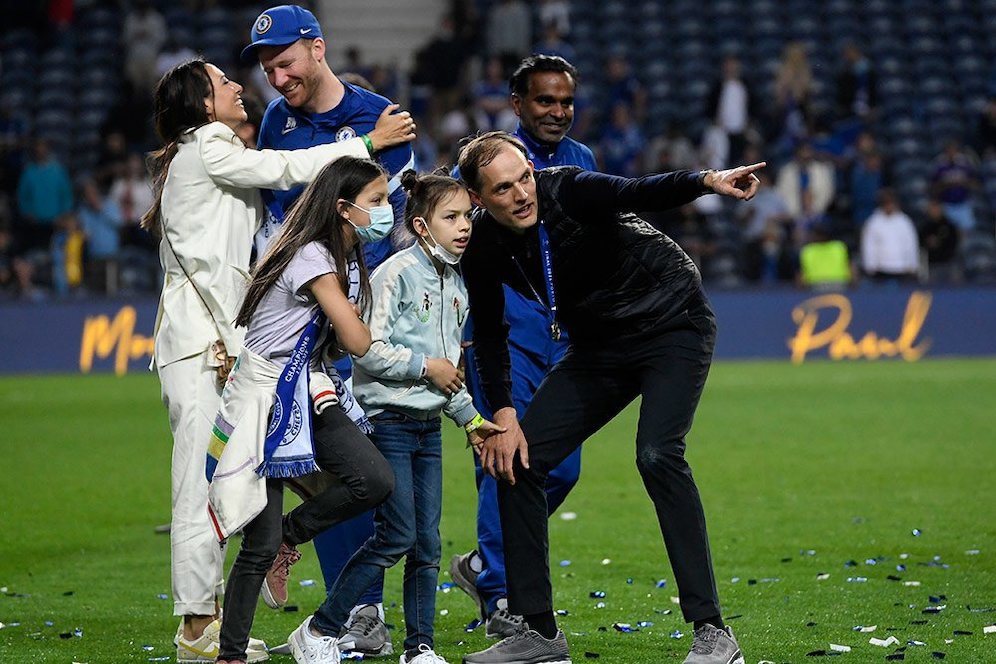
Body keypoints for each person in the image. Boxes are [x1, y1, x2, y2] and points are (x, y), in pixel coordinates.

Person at [143, 57, 412, 663]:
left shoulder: (205, 153)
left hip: (221, 346)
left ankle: (228, 604)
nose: (240, 85)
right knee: (198, 482)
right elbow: (285, 166)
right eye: (223, 82)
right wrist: (364, 144)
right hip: (201, 346)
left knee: (237, 472)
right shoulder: (208, 142)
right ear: (205, 106)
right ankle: (197, 629)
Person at [455, 132, 762, 664]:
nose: (522, 194)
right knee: (519, 458)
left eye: (524, 177)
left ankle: (714, 634)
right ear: (479, 199)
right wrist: (503, 413)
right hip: (599, 345)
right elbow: (487, 333)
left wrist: (709, 180)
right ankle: (541, 635)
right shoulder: (480, 243)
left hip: (672, 321)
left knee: (658, 454)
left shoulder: (568, 189)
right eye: (504, 188)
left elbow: (640, 190)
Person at [241, 6, 418, 654]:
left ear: (317, 49)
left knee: (373, 463)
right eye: (265, 68)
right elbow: (281, 223)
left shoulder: (380, 117)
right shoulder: (274, 123)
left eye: (284, 62)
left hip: (364, 313)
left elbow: (396, 222)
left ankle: (357, 604)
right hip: (307, 324)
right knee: (336, 464)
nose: (276, 77)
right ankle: (360, 608)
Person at [296, 170, 503, 664]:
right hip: (386, 421)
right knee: (398, 535)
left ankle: (420, 648)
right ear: (421, 224)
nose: (464, 226)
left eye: (466, 216)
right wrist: (422, 367)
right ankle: (322, 626)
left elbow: (447, 373)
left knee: (427, 542)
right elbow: (368, 352)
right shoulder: (393, 273)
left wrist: (471, 421)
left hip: (427, 429)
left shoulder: (457, 284)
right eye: (450, 217)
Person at [211, 157, 398, 664]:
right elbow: (357, 339)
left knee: (373, 478)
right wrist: (415, 360)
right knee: (258, 534)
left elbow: (335, 344)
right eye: (377, 201)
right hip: (265, 395)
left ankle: (288, 539)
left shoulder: (347, 254)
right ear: (344, 207)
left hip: (308, 384)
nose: (386, 211)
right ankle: (230, 654)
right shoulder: (313, 255)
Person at [449, 54, 598, 641]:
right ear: (517, 105)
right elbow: (453, 232)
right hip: (504, 331)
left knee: (562, 467)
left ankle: (487, 562)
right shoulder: (490, 164)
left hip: (563, 331)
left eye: (565, 101)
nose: (557, 112)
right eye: (544, 101)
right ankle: (500, 596)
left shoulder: (581, 160)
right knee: (507, 462)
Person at [860, 188, 920, 283]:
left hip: (902, 268)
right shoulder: (873, 222)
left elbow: (911, 244)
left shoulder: (904, 221)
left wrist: (912, 265)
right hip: (881, 269)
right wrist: (870, 266)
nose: (889, 205)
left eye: (891, 202)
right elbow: (869, 246)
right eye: (886, 203)